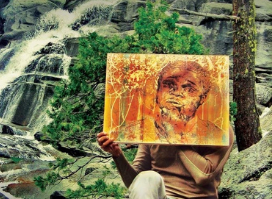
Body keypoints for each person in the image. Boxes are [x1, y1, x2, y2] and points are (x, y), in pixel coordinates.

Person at [97, 61, 234, 199]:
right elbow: (136, 184)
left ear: (202, 97)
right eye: (169, 85)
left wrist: (173, 135)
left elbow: (203, 176)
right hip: (161, 196)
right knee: (148, 177)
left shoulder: (218, 132)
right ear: (158, 92)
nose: (177, 93)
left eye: (188, 88)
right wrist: (117, 154)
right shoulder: (148, 128)